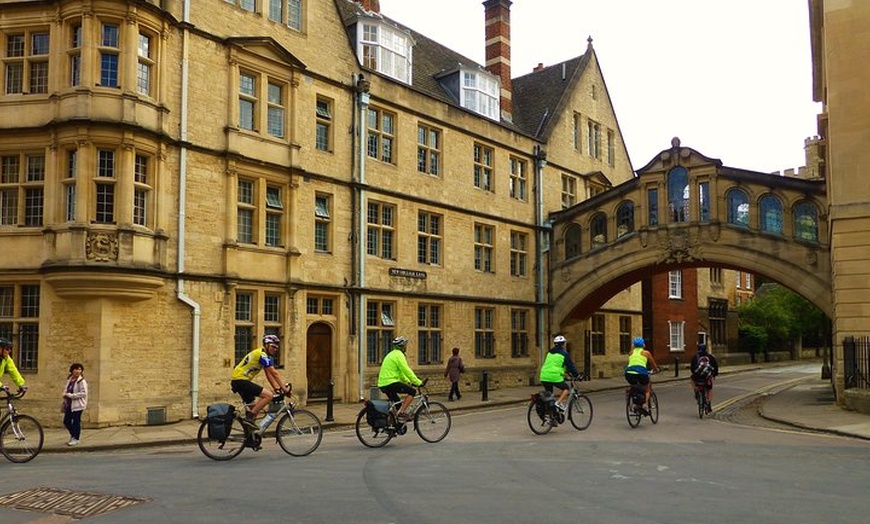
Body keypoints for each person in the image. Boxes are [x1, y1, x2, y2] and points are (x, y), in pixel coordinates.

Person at [230, 334, 292, 427]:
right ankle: (249, 417)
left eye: (276, 348)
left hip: (239, 380)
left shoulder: (264, 355)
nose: (275, 349)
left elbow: (268, 374)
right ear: (266, 345)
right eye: (272, 347)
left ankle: (249, 437)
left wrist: (276, 388)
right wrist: (284, 388)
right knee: (268, 396)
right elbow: (274, 373)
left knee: (254, 409)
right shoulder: (262, 355)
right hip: (241, 380)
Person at [377, 336, 423, 421]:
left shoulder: (391, 354)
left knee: (397, 403)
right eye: (405, 346)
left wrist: (408, 381)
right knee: (412, 391)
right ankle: (401, 413)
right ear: (402, 346)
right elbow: (406, 370)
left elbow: (400, 373)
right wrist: (417, 382)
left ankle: (393, 424)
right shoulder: (399, 355)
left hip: (383, 383)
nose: (406, 347)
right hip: (390, 382)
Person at [539, 335, 580, 411]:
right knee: (566, 388)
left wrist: (564, 373)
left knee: (549, 396)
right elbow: (571, 367)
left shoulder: (549, 353)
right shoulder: (564, 354)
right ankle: (558, 402)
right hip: (554, 376)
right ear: (564, 344)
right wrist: (577, 375)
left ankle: (550, 416)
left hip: (544, 375)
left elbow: (554, 366)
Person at [624, 337, 660, 412]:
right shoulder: (646, 353)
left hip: (629, 373)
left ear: (634, 345)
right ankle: (645, 405)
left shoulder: (631, 352)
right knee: (647, 389)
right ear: (643, 345)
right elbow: (653, 364)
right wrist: (657, 370)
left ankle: (630, 393)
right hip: (641, 373)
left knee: (634, 385)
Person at [62, 363, 88, 446]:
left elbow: (83, 393)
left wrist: (71, 396)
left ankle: (76, 438)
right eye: (76, 369)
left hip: (78, 405)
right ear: (72, 370)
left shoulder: (81, 381)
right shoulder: (69, 380)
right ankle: (73, 435)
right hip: (69, 404)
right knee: (66, 421)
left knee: (76, 421)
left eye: (80, 369)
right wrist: (64, 394)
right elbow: (67, 389)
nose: (78, 371)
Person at [690, 343, 719, 414]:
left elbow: (692, 368)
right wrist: (714, 374)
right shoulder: (711, 357)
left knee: (691, 380)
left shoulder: (695, 357)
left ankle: (696, 391)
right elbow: (715, 367)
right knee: (709, 389)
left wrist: (695, 373)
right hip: (707, 378)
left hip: (697, 377)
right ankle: (708, 404)